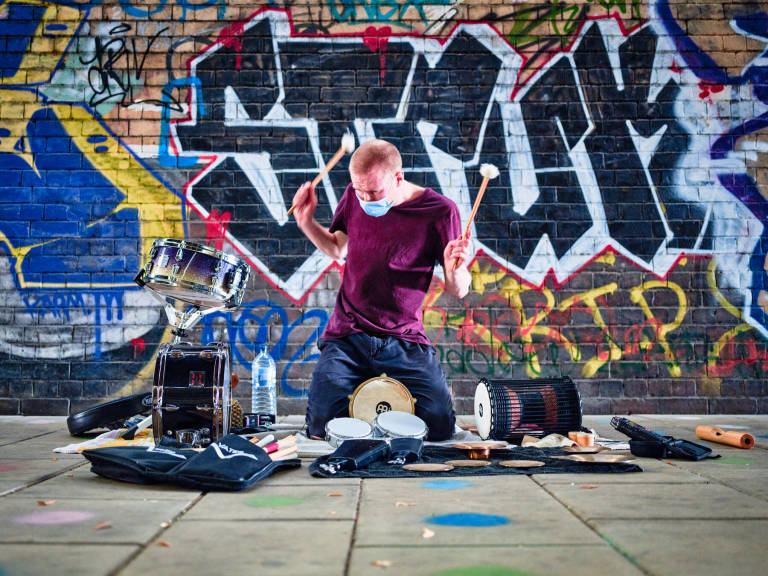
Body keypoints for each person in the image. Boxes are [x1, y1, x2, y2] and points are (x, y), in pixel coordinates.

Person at [292, 138, 471, 441]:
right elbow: (337, 248)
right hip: (348, 336)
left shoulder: (440, 211)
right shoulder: (354, 195)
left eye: (374, 192)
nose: (365, 198)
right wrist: (306, 222)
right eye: (359, 190)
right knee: (320, 426)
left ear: (398, 177)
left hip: (404, 338)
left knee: (440, 425)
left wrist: (456, 268)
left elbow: (459, 290)